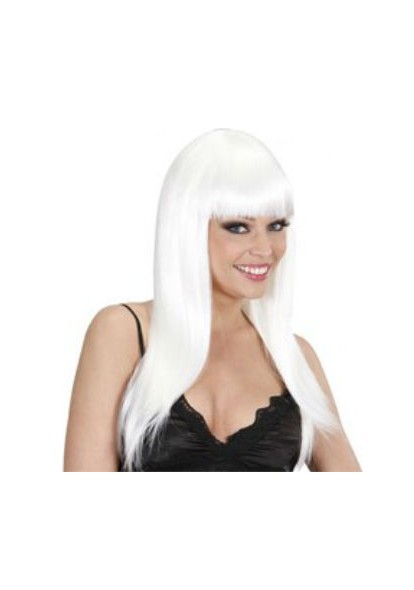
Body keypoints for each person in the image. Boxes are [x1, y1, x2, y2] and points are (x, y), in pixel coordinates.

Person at [63, 128, 362, 472]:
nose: (265, 248)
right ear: (187, 229)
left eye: (277, 226)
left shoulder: (292, 356)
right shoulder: (122, 332)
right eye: (238, 227)